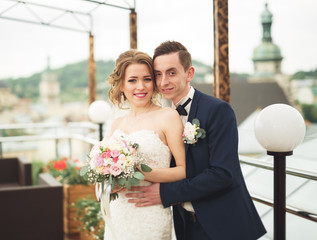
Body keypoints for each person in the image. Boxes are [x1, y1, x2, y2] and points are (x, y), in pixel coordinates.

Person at [126, 41, 267, 240]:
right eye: (158, 74)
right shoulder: (162, 118)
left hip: (224, 224)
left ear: (189, 73)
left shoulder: (218, 110)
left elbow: (222, 173)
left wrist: (166, 193)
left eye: (172, 72)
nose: (164, 81)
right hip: (186, 226)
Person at [104, 49, 186, 240]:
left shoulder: (168, 116)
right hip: (118, 213)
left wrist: (138, 171)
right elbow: (109, 173)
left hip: (150, 212)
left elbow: (183, 170)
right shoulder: (117, 123)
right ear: (121, 85)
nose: (140, 86)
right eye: (132, 80)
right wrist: (111, 182)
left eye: (147, 79)